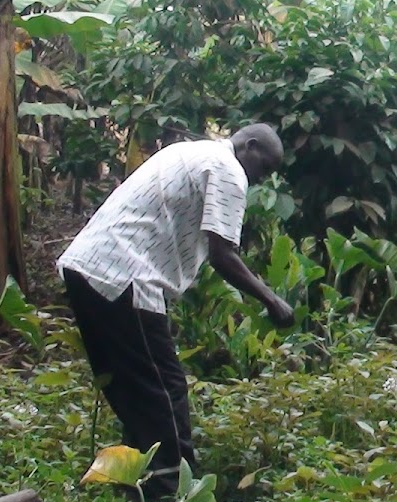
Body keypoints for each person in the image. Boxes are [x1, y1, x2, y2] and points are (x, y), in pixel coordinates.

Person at [57, 124, 295, 500]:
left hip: (91, 269)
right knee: (164, 397)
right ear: (248, 146)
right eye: (262, 169)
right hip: (125, 278)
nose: (259, 179)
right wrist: (272, 300)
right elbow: (223, 254)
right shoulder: (228, 168)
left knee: (140, 401)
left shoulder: (190, 152)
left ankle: (139, 489)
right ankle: (172, 493)